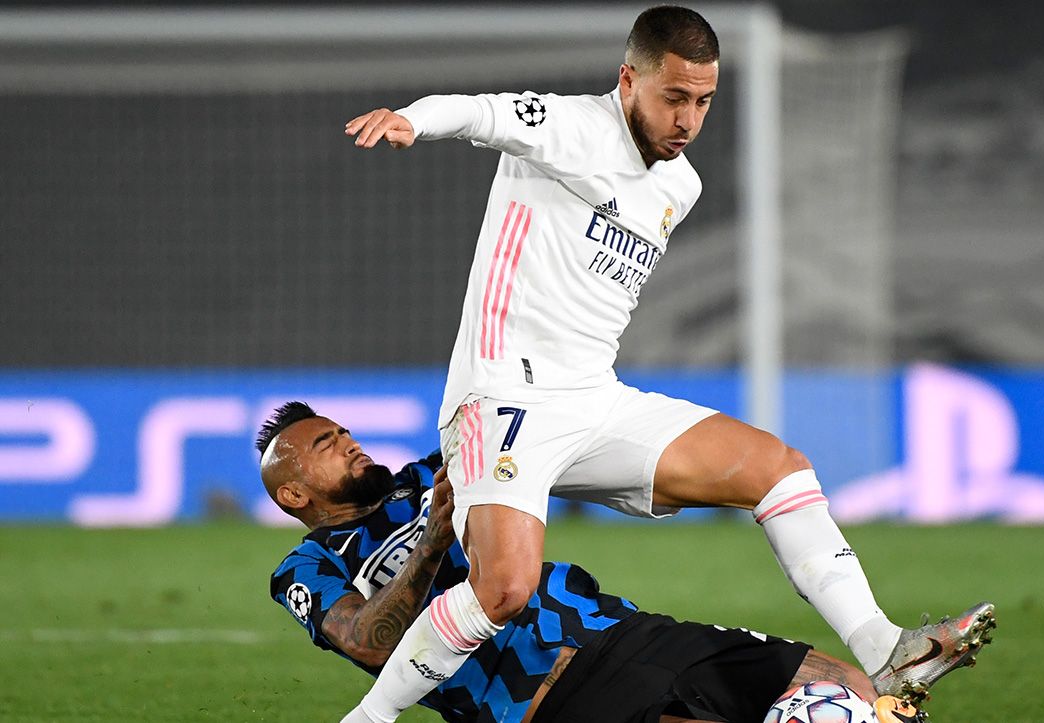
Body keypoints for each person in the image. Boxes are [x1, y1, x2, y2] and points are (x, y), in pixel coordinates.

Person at [343, 6, 994, 719]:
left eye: (704, 100)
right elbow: (484, 113)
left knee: (778, 469)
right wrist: (413, 118)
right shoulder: (576, 128)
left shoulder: (681, 187)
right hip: (505, 396)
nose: (688, 117)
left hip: (595, 399)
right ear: (629, 80)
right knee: (503, 588)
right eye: (674, 96)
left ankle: (884, 646)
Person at [261, 401, 930, 723]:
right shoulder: (309, 567)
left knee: (859, 693)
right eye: (326, 443)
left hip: (625, 630)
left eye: (343, 430)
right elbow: (369, 643)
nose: (348, 442)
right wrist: (436, 537)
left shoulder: (434, 470)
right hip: (549, 698)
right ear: (295, 492)